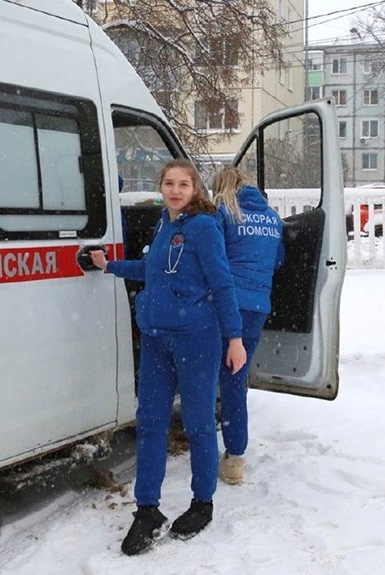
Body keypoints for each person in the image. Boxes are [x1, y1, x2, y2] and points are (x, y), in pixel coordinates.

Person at [90, 159, 246, 556]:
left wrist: (234, 338)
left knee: (197, 424)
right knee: (149, 423)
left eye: (183, 184)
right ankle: (147, 510)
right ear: (160, 187)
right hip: (156, 339)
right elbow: (151, 269)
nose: (175, 191)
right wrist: (109, 266)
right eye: (169, 183)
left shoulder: (203, 227)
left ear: (195, 189)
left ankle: (202, 503)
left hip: (196, 339)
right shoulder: (165, 224)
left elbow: (223, 284)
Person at [210, 166, 284, 486]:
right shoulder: (272, 218)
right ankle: (235, 458)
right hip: (257, 308)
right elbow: (278, 260)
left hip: (225, 305)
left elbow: (212, 257)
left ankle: (206, 448)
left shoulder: (224, 212)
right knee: (235, 381)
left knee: (205, 378)